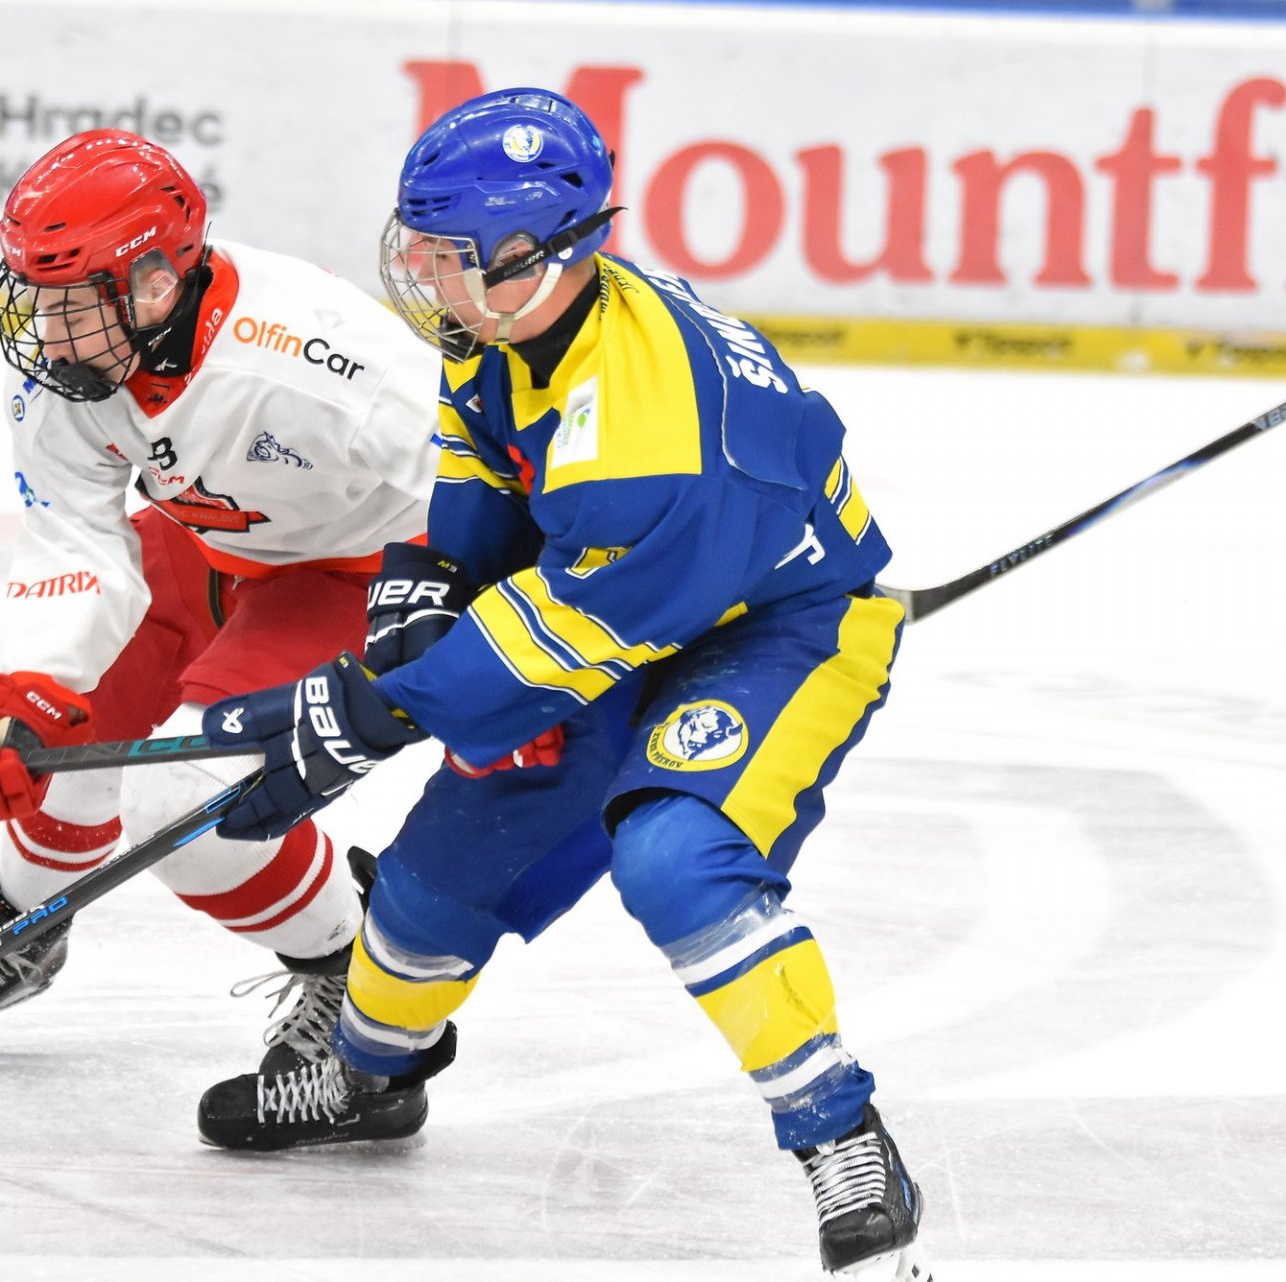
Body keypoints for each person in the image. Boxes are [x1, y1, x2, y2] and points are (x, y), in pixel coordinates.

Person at [192, 90, 931, 1280]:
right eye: (422, 245)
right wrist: (432, 582)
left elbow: (566, 633)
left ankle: (841, 1134)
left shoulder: (649, 429)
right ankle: (371, 1082)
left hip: (776, 630)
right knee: (428, 891)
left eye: (451, 252)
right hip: (620, 605)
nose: (425, 274)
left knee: (677, 857)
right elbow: (485, 461)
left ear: (538, 252)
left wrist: (378, 707)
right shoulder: (510, 324)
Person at [0, 129, 441, 1076]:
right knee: (63, 733)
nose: (47, 331)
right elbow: (75, 533)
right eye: (38, 298)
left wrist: (516, 658)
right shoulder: (74, 365)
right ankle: (25, 926)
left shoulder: (322, 358)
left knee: (188, 813)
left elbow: (481, 487)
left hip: (354, 573)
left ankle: (352, 975)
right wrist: (31, 685)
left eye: (72, 302)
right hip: (209, 548)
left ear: (153, 284)